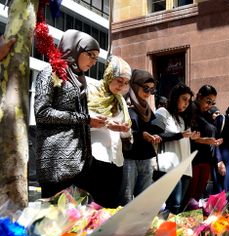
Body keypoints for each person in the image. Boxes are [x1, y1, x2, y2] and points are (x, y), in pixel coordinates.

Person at [35, 29, 103, 198]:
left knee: (78, 220)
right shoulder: (50, 72)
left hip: (79, 161)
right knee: (54, 221)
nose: (94, 62)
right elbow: (42, 113)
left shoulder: (79, 78)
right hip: (56, 162)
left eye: (96, 57)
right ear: (76, 50)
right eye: (91, 55)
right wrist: (85, 119)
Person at [86, 55, 132, 207]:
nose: (121, 86)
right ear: (109, 74)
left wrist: (124, 129)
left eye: (125, 83)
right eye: (119, 80)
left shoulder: (120, 101)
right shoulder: (91, 91)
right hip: (95, 157)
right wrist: (107, 124)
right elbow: (83, 120)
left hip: (116, 159)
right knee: (92, 208)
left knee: (111, 206)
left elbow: (126, 134)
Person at [154, 83, 200, 214]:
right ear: (175, 97)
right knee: (172, 205)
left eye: (189, 101)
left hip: (185, 168)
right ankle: (163, 232)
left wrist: (194, 138)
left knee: (177, 207)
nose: (187, 103)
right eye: (184, 99)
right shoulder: (162, 112)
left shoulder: (184, 118)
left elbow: (184, 139)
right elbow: (156, 135)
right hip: (168, 166)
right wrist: (179, 135)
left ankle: (173, 233)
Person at [120, 69, 162, 204]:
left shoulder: (147, 109)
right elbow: (123, 130)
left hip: (146, 158)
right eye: (145, 88)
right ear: (135, 85)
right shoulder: (125, 105)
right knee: (126, 199)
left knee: (143, 201)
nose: (148, 93)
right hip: (129, 157)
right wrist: (141, 135)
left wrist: (156, 136)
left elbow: (152, 128)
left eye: (152, 90)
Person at [188, 85, 222, 200]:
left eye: (213, 103)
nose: (210, 105)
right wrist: (204, 140)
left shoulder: (207, 114)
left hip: (206, 159)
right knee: (190, 194)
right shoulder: (191, 109)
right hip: (194, 159)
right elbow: (189, 135)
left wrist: (214, 141)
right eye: (208, 101)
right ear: (199, 96)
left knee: (199, 195)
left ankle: (194, 217)